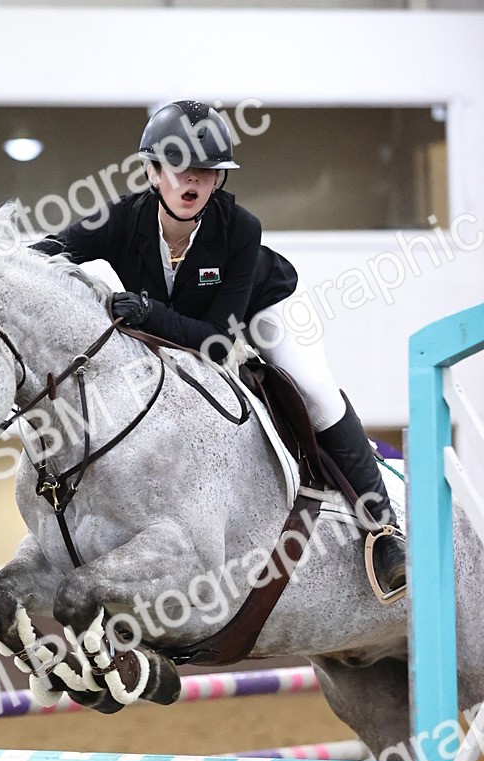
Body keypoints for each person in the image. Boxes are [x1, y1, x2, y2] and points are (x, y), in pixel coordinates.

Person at [34, 99, 406, 595]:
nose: (194, 182)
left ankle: (384, 531)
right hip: (177, 326)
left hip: (261, 311)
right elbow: (51, 252)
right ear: (152, 171)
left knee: (316, 391)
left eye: (208, 172)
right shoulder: (122, 219)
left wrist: (150, 312)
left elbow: (213, 342)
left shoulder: (241, 229)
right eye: (180, 168)